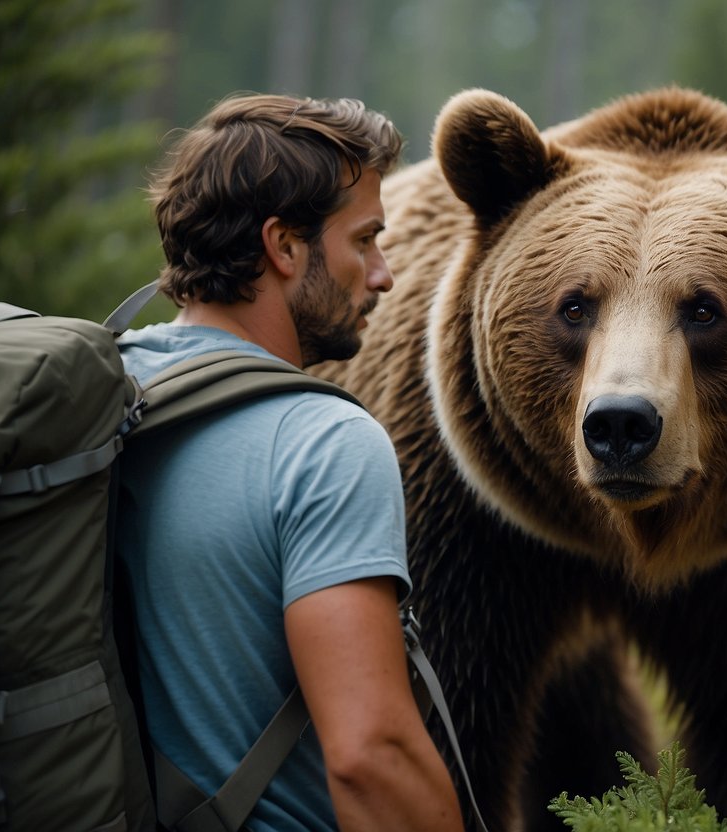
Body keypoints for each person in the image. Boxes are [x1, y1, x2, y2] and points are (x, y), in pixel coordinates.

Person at [114, 93, 464, 832]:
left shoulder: (110, 390)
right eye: (364, 240)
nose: (383, 276)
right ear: (283, 246)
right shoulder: (322, 443)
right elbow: (371, 756)